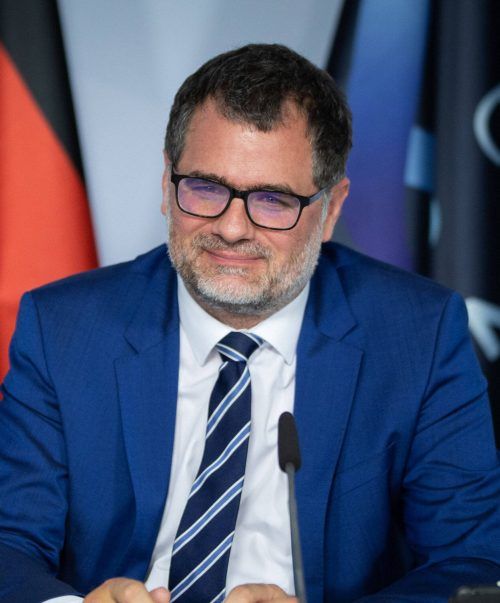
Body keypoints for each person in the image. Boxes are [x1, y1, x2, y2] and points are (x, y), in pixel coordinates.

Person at [0, 43, 499, 603]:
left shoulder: (418, 335)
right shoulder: (63, 329)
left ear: (331, 209)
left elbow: (473, 559)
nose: (233, 228)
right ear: (167, 185)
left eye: (273, 200)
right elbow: (9, 540)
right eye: (206, 188)